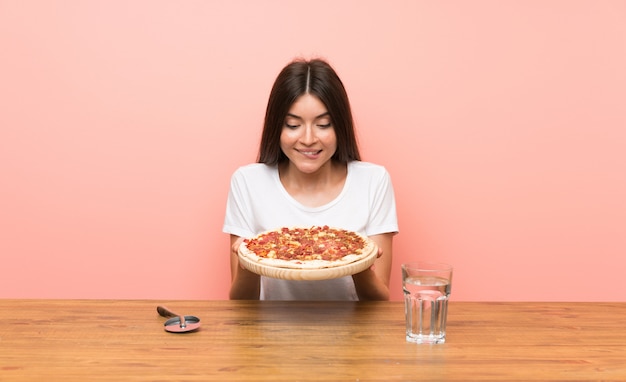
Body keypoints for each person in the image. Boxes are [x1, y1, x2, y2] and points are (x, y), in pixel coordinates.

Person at [223, 58, 398, 301]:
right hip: (270, 336)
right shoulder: (247, 182)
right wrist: (247, 260)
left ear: (340, 126)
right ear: (276, 127)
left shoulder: (374, 180)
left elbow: (379, 303)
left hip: (353, 336)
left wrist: (360, 261)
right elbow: (241, 303)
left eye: (323, 124)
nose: (307, 138)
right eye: (293, 125)